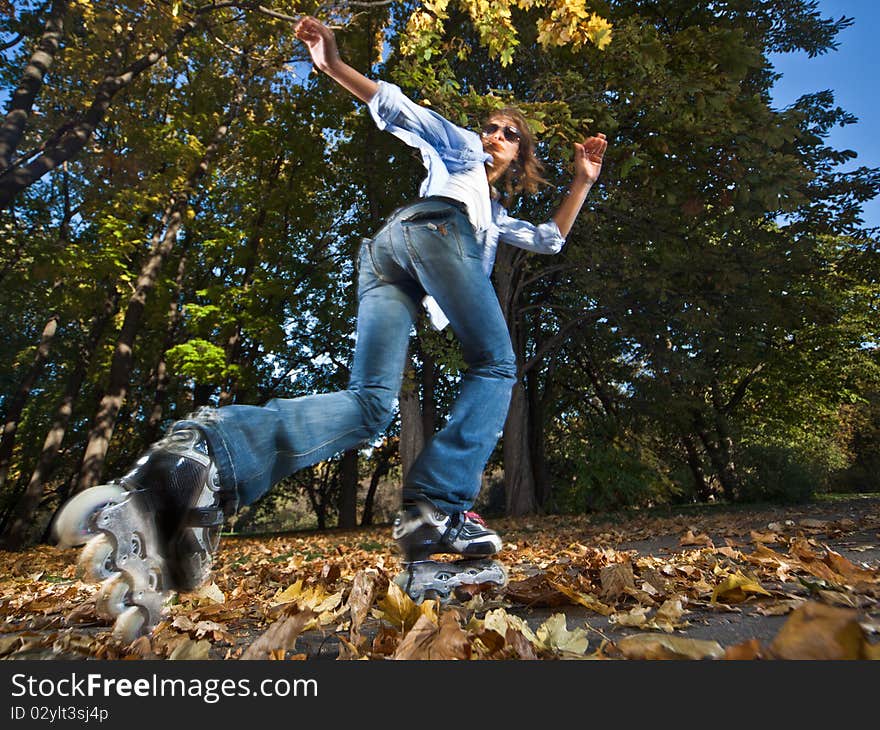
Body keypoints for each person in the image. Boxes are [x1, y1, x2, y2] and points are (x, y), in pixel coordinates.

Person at [57, 16, 607, 627]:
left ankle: (207, 457)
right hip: (429, 230)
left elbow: (549, 239)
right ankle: (441, 507)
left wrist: (582, 181)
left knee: (371, 406)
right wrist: (332, 66)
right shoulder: (458, 148)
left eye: (509, 134)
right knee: (497, 363)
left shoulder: (495, 210)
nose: (496, 135)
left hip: (387, 261)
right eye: (493, 126)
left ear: (520, 154)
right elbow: (400, 110)